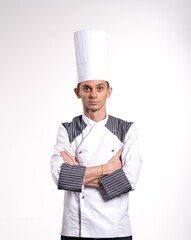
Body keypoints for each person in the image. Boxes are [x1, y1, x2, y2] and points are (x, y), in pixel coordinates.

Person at [51, 29, 142, 240]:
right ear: (77, 92)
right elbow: (60, 176)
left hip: (116, 229)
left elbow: (129, 180)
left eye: (100, 88)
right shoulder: (67, 129)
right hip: (76, 229)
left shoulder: (126, 129)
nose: (93, 94)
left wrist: (77, 172)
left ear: (109, 92)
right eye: (87, 88)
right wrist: (108, 169)